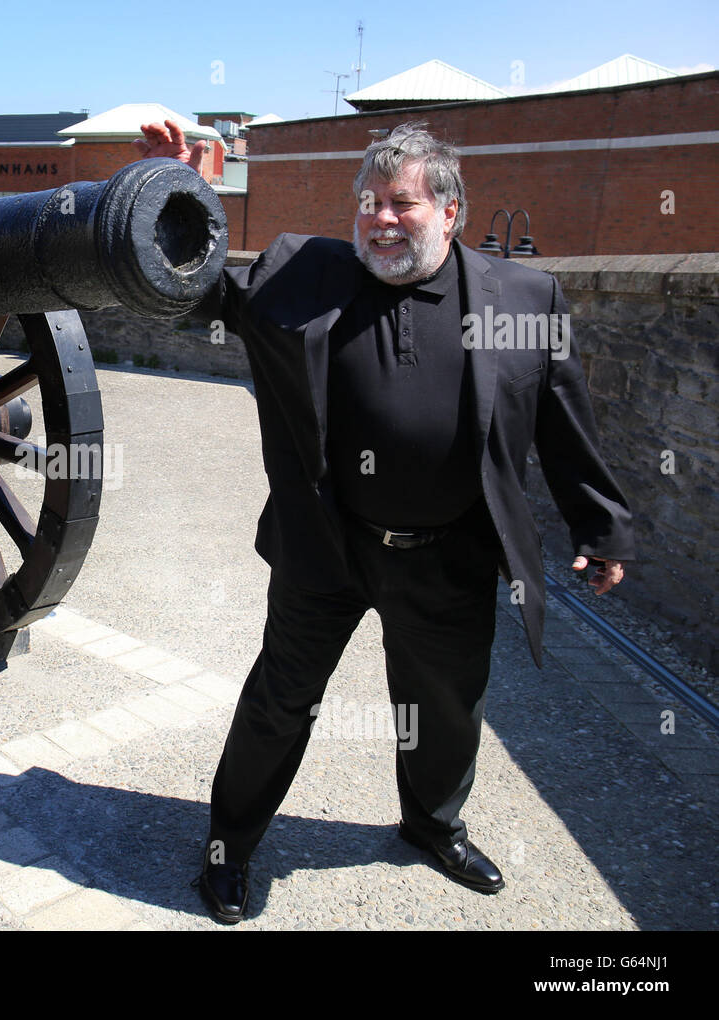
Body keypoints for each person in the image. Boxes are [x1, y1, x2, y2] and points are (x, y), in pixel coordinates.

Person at [133, 120, 633, 923]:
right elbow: (196, 294)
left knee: (445, 708)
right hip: (328, 547)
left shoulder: (523, 298)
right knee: (280, 701)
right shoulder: (304, 272)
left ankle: (433, 826)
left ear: (451, 210)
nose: (380, 220)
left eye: (401, 204)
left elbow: (564, 426)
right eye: (368, 203)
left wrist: (601, 528)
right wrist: (172, 201)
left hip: (450, 555)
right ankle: (229, 848)